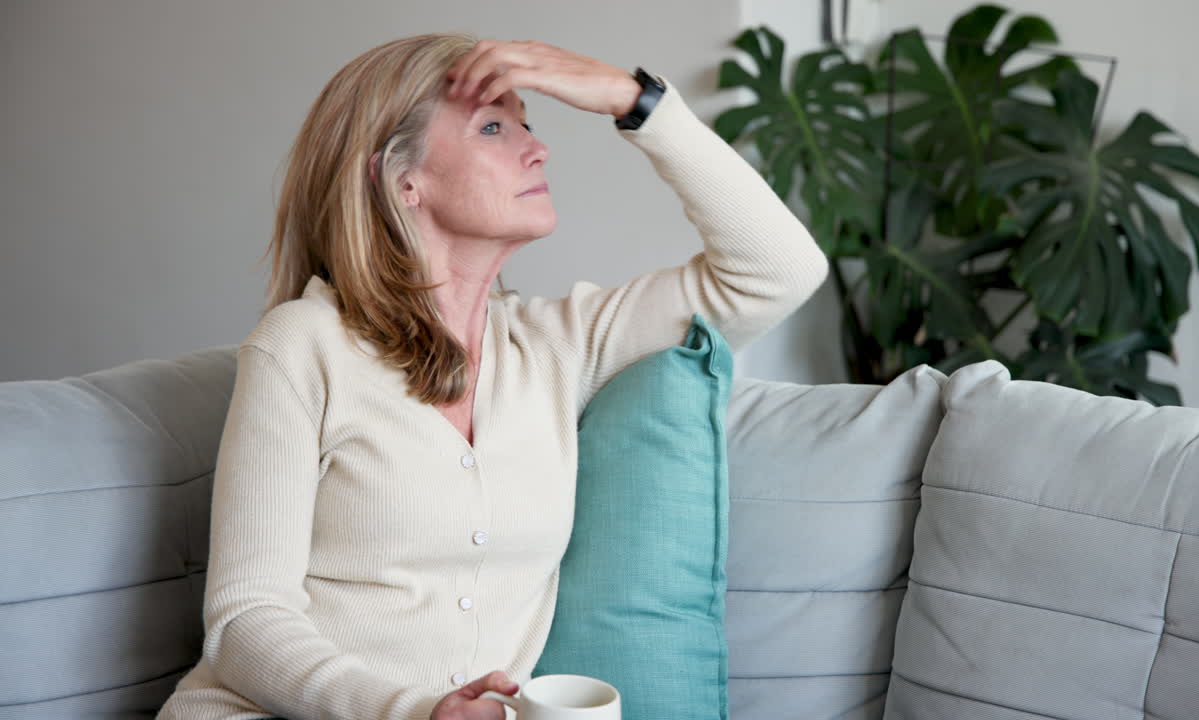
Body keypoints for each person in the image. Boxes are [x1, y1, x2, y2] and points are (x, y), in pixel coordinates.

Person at [157, 31, 827, 720]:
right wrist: (415, 711)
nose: (537, 148)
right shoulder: (302, 347)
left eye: (527, 124)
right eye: (493, 126)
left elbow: (779, 270)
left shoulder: (560, 348)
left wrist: (638, 102)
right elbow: (244, 621)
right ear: (400, 178)